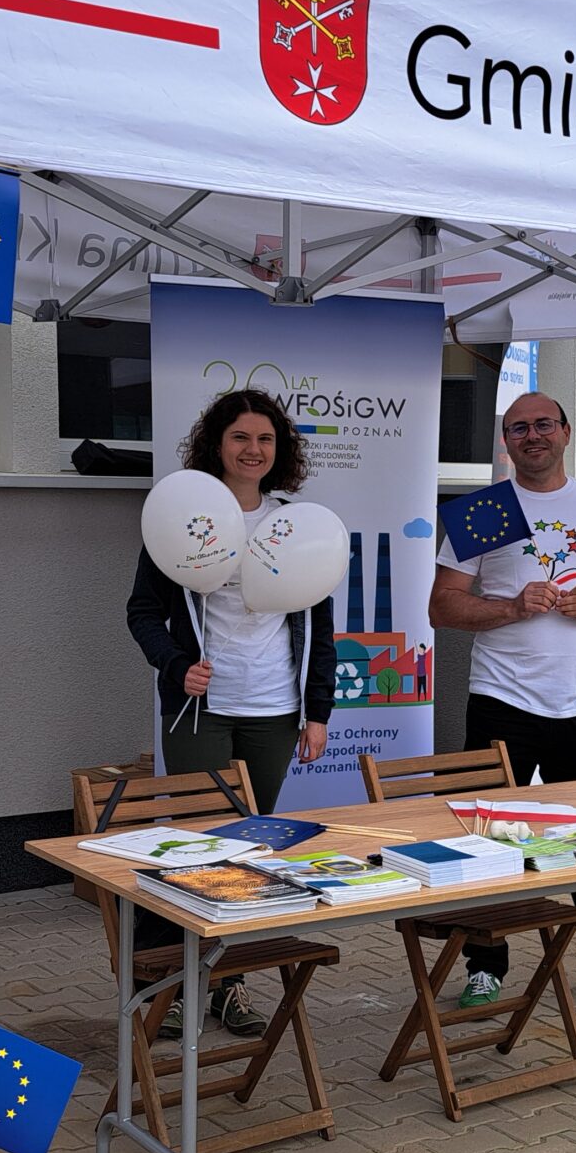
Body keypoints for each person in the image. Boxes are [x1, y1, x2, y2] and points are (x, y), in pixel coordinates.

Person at [429, 392, 576, 1008]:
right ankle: (485, 963)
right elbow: (442, 605)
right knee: (486, 835)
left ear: (565, 431)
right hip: (501, 701)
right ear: (505, 441)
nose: (532, 436)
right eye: (518, 428)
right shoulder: (486, 508)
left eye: (543, 425)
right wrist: (511, 606)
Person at [127, 389, 337, 1039]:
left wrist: (317, 712)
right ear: (218, 443)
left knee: (247, 852)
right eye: (241, 437)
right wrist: (172, 663)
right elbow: (141, 611)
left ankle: (227, 985)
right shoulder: (187, 514)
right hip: (202, 712)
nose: (253, 449)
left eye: (266, 439)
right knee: (192, 848)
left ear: (280, 451)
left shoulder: (294, 523)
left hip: (274, 712)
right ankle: (158, 980)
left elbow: (322, 630)